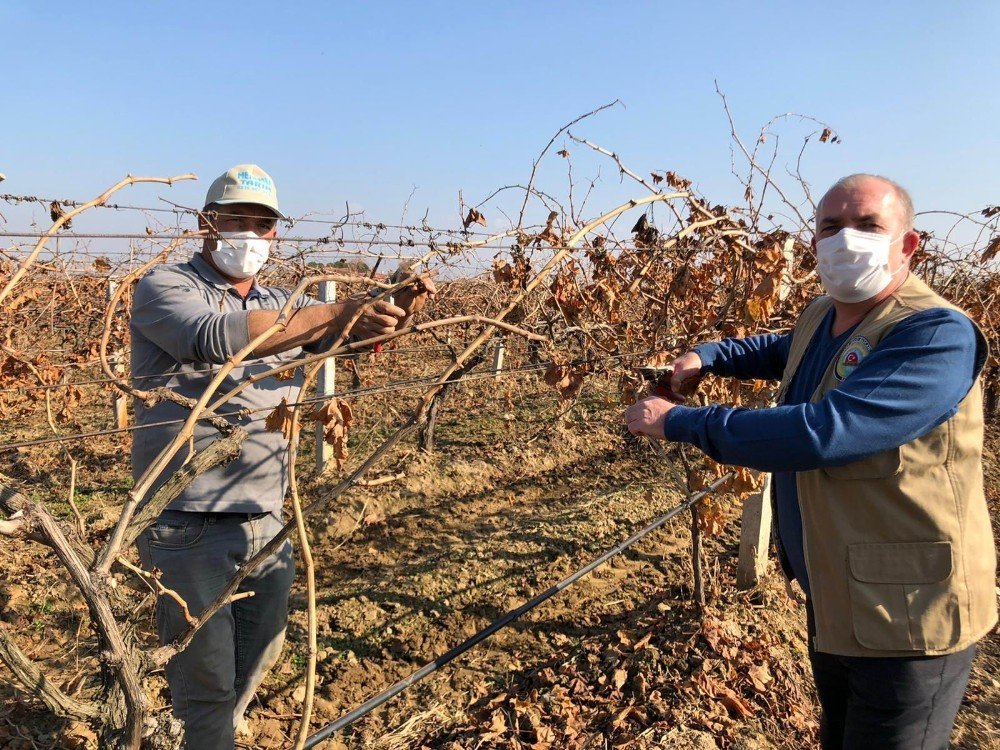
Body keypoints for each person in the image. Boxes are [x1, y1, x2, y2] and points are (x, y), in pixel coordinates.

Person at [625, 174, 996, 749]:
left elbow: (825, 432)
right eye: (831, 227)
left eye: (869, 225)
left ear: (908, 245)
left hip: (911, 614)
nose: (847, 240)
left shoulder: (934, 335)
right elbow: (779, 347)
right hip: (839, 589)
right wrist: (709, 355)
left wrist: (678, 421)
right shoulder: (828, 312)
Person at [130, 164, 434, 750]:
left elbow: (346, 338)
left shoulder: (280, 299)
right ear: (205, 223)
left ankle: (217, 730)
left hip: (268, 514)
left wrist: (394, 307)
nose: (250, 234)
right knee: (206, 683)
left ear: (276, 234)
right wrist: (333, 312)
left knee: (262, 652)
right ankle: (202, 734)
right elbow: (220, 338)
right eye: (236, 219)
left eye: (263, 224)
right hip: (188, 519)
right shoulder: (165, 286)